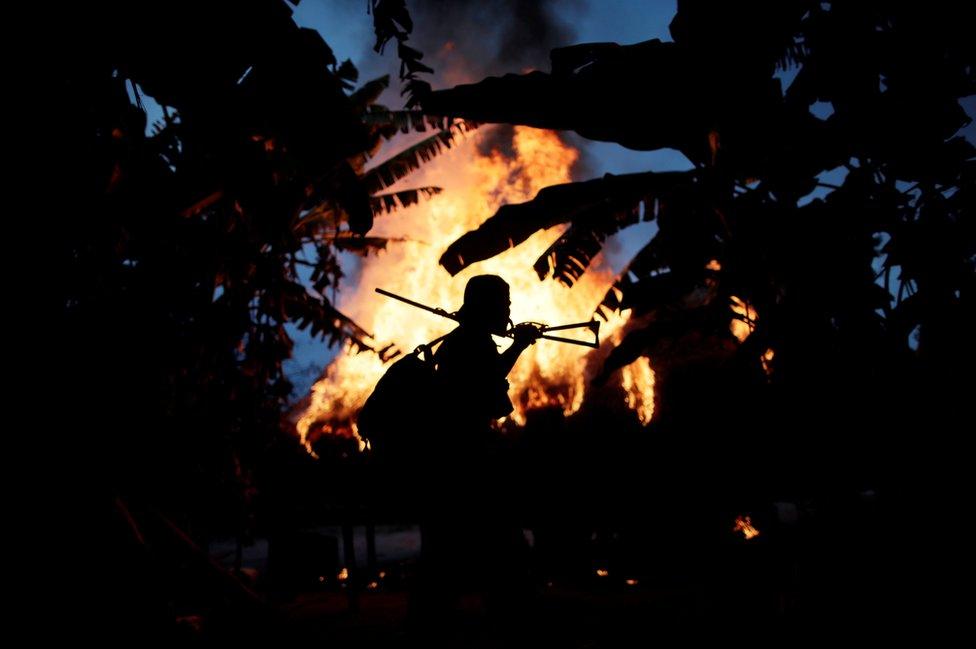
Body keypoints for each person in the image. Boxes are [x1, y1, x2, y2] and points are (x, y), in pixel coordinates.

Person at [410, 274, 541, 630]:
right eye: (505, 302)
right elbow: (484, 382)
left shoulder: (466, 339)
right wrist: (519, 346)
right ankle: (504, 608)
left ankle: (443, 611)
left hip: (457, 453)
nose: (509, 309)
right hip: (462, 454)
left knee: (454, 540)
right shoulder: (469, 342)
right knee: (492, 536)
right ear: (489, 305)